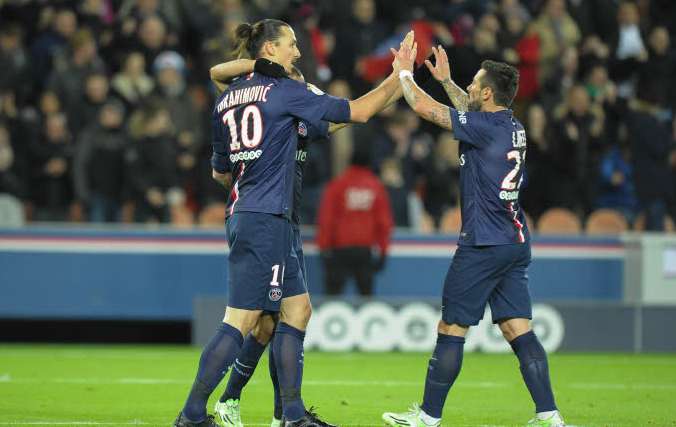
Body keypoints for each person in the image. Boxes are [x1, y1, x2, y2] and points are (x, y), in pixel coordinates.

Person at [173, 19, 411, 427]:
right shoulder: (287, 92)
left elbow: (220, 173)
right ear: (269, 50)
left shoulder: (228, 99)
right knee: (242, 319)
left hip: (252, 211)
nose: (297, 52)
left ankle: (293, 416)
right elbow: (360, 111)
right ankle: (193, 414)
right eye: (291, 45)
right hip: (266, 217)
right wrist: (399, 74)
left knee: (297, 310)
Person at [381, 44, 565, 427]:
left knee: (451, 327)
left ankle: (428, 417)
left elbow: (424, 109)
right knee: (517, 328)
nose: (470, 85)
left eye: (474, 82)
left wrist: (403, 73)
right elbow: (469, 112)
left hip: (483, 242)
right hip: (514, 242)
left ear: (486, 93)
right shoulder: (511, 126)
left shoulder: (483, 127)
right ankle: (549, 415)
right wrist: (446, 80)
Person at [317, 146, 394, 296]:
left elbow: (326, 219)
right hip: (364, 252)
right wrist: (383, 251)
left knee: (332, 299)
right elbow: (384, 223)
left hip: (339, 250)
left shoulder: (337, 185)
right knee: (366, 299)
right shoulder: (376, 187)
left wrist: (323, 248)